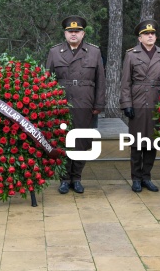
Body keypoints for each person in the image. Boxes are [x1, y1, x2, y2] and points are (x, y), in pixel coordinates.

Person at [46, 16, 106, 194]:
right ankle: (64, 179)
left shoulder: (94, 52)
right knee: (63, 140)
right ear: (65, 33)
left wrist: (99, 103)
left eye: (77, 31)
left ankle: (77, 177)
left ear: (83, 33)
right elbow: (47, 80)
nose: (73, 34)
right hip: (61, 101)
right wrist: (49, 103)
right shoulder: (55, 52)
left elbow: (100, 81)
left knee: (81, 140)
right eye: (70, 31)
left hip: (85, 101)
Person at [120, 20, 160, 193]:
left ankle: (146, 176)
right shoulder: (132, 55)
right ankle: (136, 178)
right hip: (138, 101)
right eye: (146, 34)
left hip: (157, 102)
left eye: (153, 34)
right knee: (137, 143)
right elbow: (125, 82)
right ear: (140, 37)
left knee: (152, 142)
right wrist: (127, 103)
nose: (150, 36)